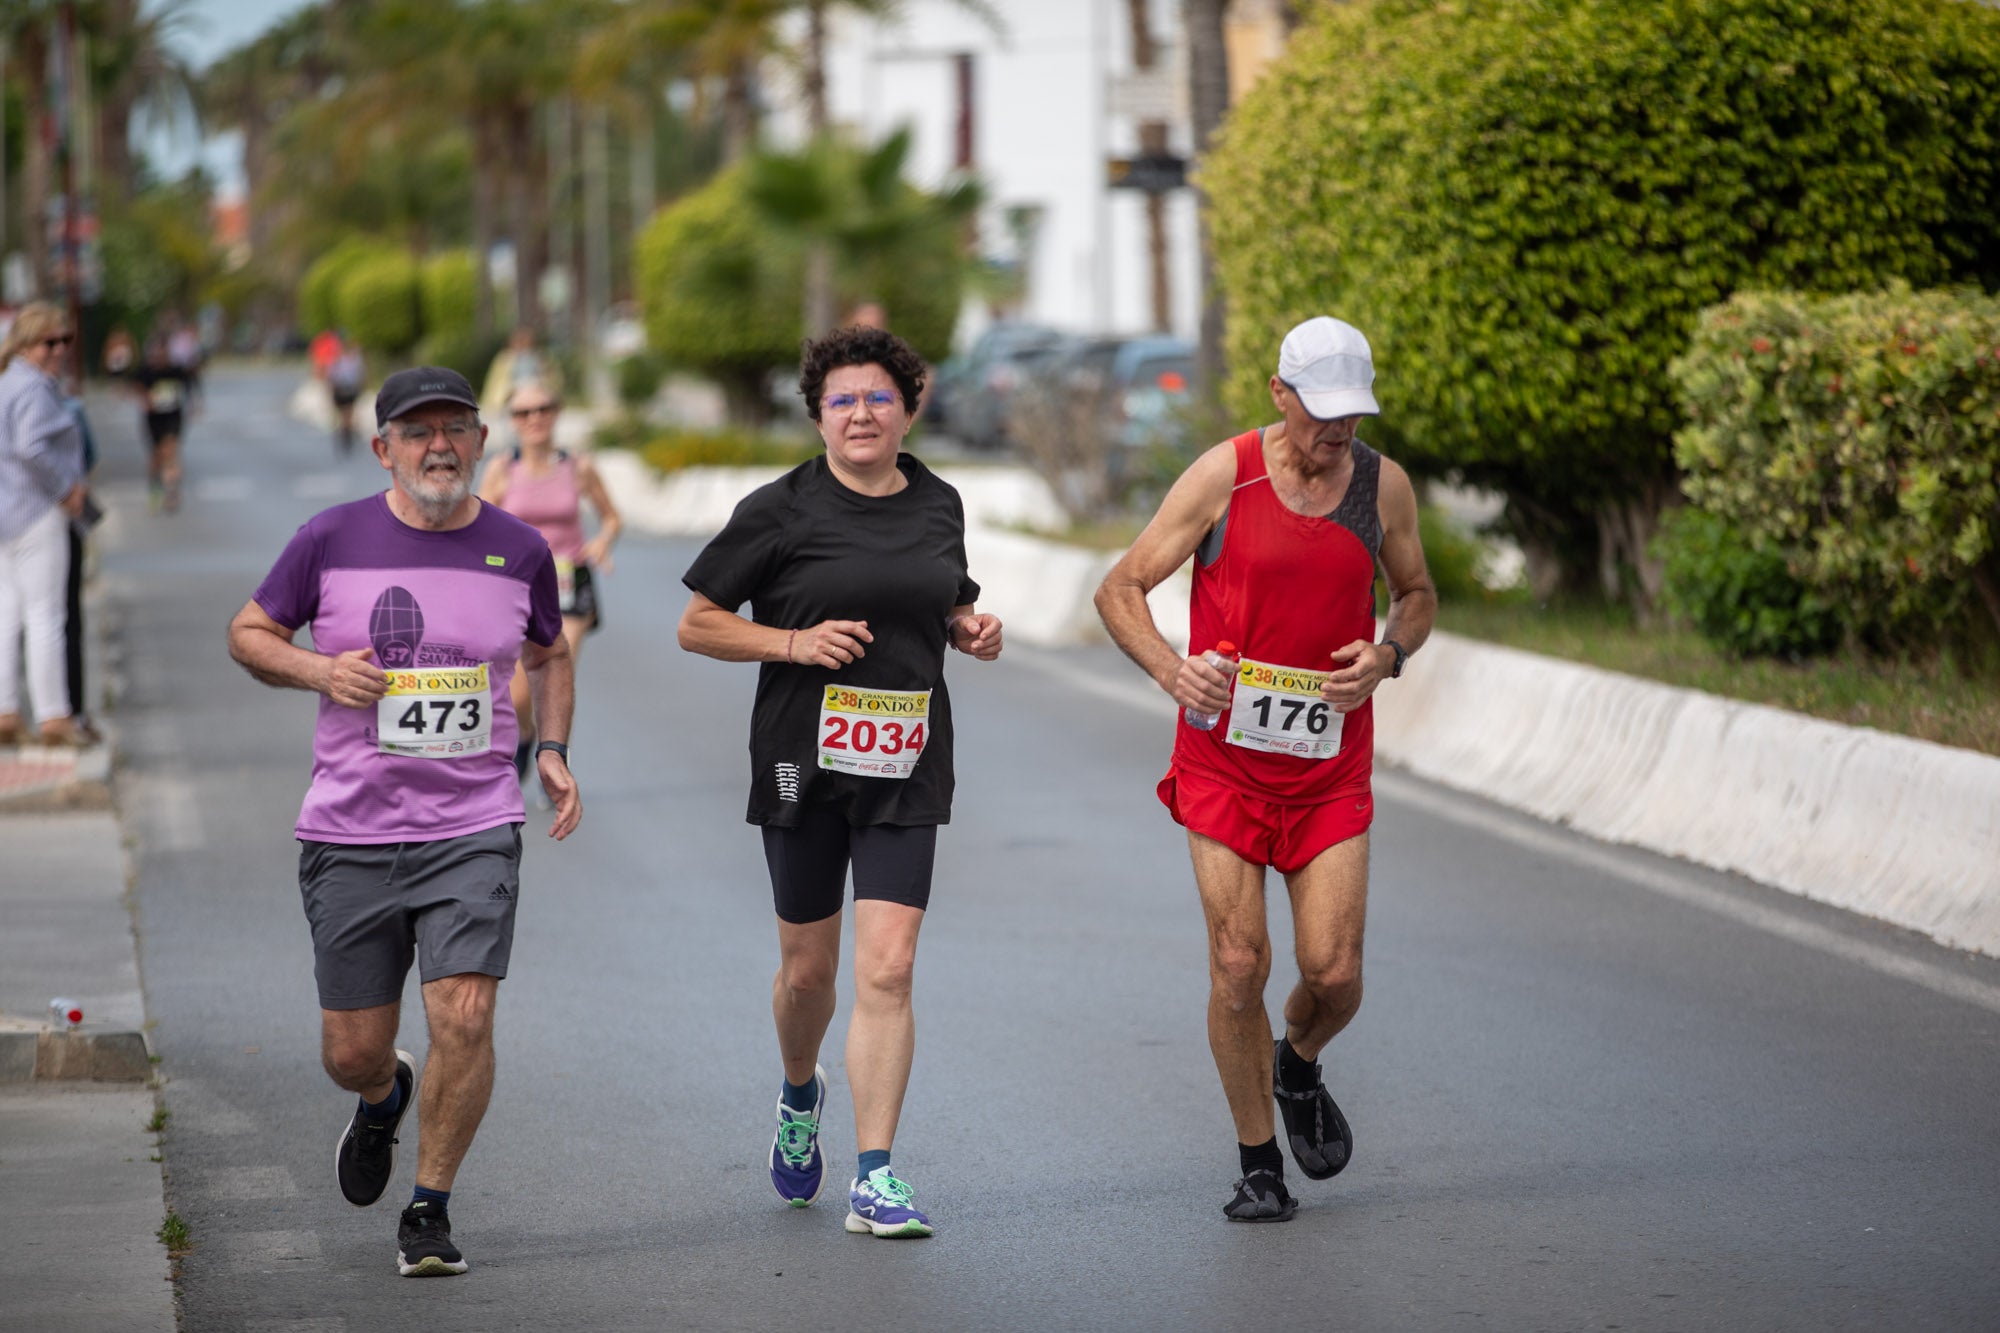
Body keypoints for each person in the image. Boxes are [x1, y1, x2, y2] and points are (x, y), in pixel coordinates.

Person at [226, 366, 582, 1277]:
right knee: (352, 1049)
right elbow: (249, 633)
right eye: (418, 431)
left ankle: (430, 1206)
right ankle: (382, 1096)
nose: (439, 446)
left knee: (465, 1011)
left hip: (474, 823)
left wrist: (550, 749)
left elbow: (550, 653)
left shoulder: (519, 549)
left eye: (455, 428)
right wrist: (320, 671)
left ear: (482, 441)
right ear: (383, 447)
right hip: (350, 830)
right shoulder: (329, 538)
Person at [1094, 316, 1436, 1223]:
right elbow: (1120, 587)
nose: (1338, 429)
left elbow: (1416, 593)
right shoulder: (1226, 474)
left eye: (1352, 412)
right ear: (1280, 394)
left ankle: (1298, 1061)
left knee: (1337, 972)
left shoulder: (1382, 485)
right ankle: (1258, 1165)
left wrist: (1388, 655)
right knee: (1238, 960)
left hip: (1327, 768)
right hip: (1224, 764)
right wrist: (1175, 671)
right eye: (1320, 410)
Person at [678, 325, 1002, 1239]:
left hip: (904, 760)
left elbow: (946, 597)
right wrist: (793, 641)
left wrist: (969, 627)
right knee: (808, 971)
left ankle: (876, 1174)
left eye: (879, 398)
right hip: (802, 762)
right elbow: (697, 623)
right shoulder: (779, 510)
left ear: (909, 410)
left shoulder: (938, 501)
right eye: (843, 400)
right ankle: (797, 1091)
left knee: (889, 966)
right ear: (819, 416)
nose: (862, 413)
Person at [476, 381, 621, 785]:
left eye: (542, 409)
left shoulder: (579, 467)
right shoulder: (502, 469)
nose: (534, 419)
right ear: (512, 420)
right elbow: (480, 526)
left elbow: (612, 517)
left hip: (570, 581)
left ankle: (555, 763)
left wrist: (602, 542)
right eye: (523, 412)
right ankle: (525, 735)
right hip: (519, 587)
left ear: (556, 413)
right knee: (520, 694)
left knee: (558, 673)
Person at [0, 302, 90, 747]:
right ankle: (53, 716)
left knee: (8, 614)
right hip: (37, 511)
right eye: (48, 342)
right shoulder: (34, 387)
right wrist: (65, 488)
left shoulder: (6, 383)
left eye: (63, 341)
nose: (58, 350)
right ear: (24, 343)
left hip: (6, 512)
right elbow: (31, 446)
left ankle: (6, 709)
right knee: (45, 615)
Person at [132, 337, 196, 513]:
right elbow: (136, 386)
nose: (159, 357)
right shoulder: (147, 371)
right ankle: (155, 489)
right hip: (154, 420)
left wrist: (193, 404)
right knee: (156, 456)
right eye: (156, 353)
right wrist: (145, 399)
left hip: (172, 417)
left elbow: (190, 384)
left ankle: (172, 492)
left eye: (163, 353)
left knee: (170, 451)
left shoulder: (176, 371)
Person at [479, 326, 562, 423]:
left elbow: (553, 378)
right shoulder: (505, 359)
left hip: (534, 395)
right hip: (511, 396)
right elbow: (496, 382)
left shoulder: (540, 358)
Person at [328, 340, 366, 458]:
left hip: (345, 390)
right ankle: (345, 433)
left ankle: (345, 433)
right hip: (344, 390)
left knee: (346, 415)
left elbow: (332, 378)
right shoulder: (349, 361)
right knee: (346, 415)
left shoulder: (342, 360)